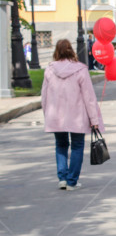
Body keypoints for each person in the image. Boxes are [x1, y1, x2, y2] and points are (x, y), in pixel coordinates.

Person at [41, 39, 104, 191]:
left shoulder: (49, 70)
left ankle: (62, 178)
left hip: (56, 116)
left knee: (61, 145)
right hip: (77, 117)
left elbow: (44, 96)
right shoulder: (80, 70)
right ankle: (71, 181)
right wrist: (94, 119)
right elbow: (88, 97)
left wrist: (47, 115)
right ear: (71, 51)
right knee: (77, 146)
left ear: (56, 51)